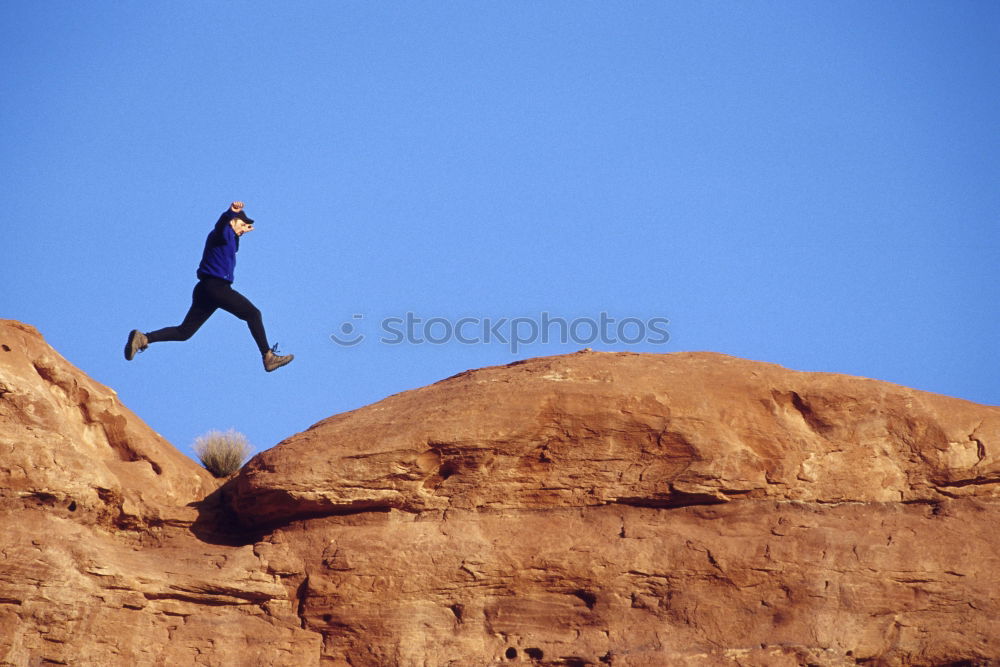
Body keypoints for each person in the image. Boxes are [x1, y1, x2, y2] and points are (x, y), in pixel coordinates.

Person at [124, 201, 294, 372]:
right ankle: (268, 356)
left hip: (205, 290)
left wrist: (241, 230)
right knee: (253, 314)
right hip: (216, 287)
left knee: (184, 332)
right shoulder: (220, 234)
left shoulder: (231, 240)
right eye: (241, 224)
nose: (243, 229)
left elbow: (232, 246)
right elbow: (220, 226)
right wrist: (230, 212)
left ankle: (144, 338)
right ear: (232, 222)